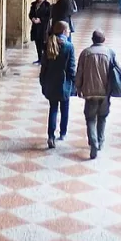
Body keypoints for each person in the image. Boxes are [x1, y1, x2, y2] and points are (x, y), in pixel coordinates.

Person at [75, 29, 113, 160]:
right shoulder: (109, 53)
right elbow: (119, 70)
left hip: (90, 92)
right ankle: (100, 141)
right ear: (104, 40)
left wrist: (78, 87)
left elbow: (79, 72)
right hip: (105, 92)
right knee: (102, 117)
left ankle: (93, 142)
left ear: (92, 40)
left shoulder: (85, 53)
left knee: (90, 119)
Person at [39, 21, 76, 149]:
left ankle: (50, 136)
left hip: (50, 82)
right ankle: (63, 133)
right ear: (64, 31)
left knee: (53, 109)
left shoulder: (49, 44)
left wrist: (42, 81)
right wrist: (75, 82)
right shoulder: (69, 46)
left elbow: (44, 66)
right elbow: (71, 68)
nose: (70, 31)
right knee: (65, 109)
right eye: (68, 30)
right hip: (64, 83)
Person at [28, 0, 51, 65]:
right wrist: (33, 19)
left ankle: (45, 59)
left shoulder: (47, 5)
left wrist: (40, 20)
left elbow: (48, 16)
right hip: (35, 27)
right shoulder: (34, 5)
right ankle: (39, 59)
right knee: (37, 43)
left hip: (43, 28)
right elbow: (30, 14)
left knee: (43, 44)